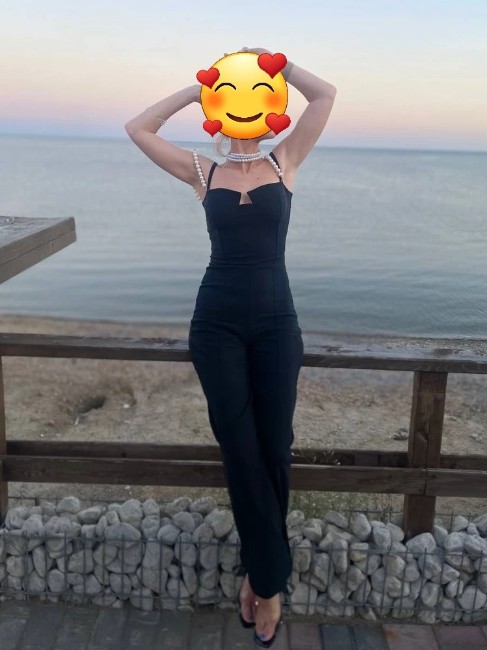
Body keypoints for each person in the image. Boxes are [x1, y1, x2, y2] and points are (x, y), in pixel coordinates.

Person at [125, 46, 337, 648]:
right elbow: (138, 128)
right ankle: (269, 586)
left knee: (275, 447)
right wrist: (198, 89)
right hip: (216, 324)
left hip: (277, 324)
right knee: (240, 447)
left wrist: (275, 65)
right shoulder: (203, 171)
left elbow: (325, 96)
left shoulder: (285, 160)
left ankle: (260, 573)